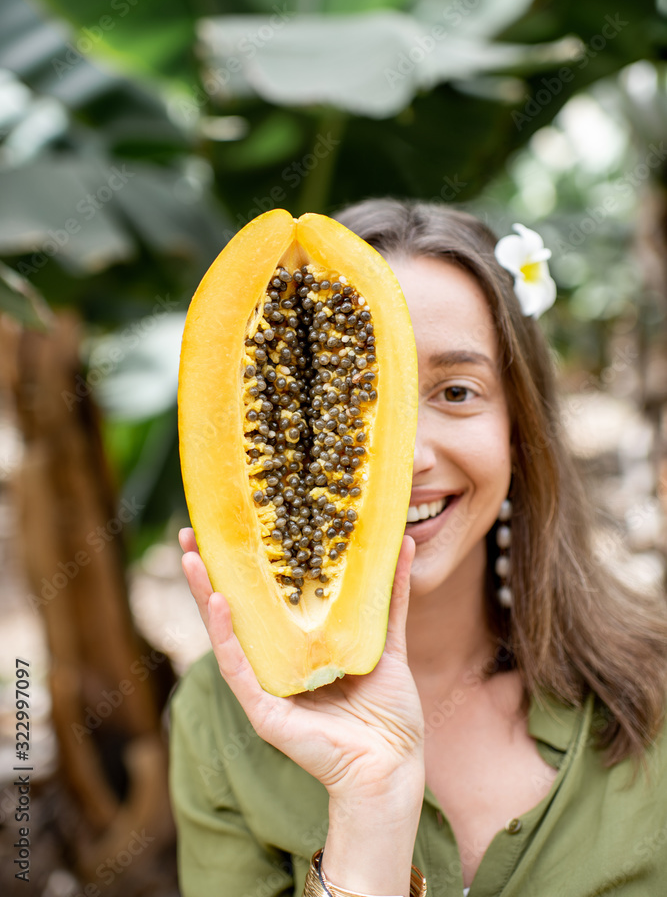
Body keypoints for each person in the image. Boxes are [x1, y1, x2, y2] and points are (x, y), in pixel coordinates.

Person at [169, 199, 667, 897]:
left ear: (519, 427)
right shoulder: (215, 723)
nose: (405, 456)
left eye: (455, 391)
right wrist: (370, 813)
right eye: (353, 397)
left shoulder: (655, 695)